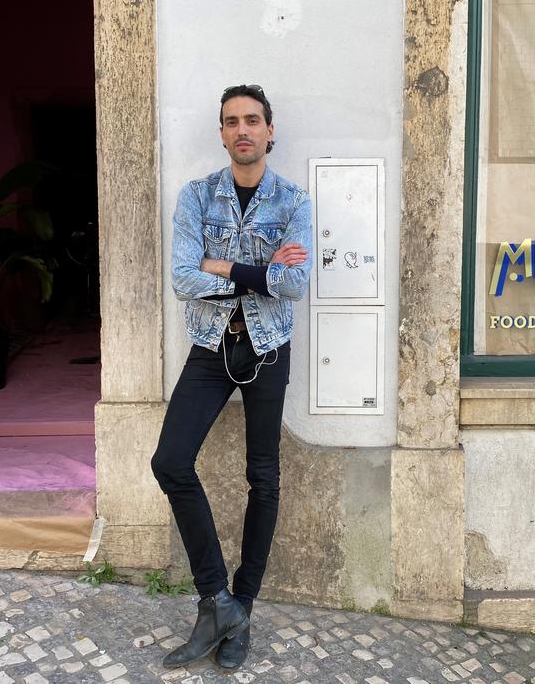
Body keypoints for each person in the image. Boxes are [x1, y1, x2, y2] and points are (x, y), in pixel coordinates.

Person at [151, 84, 312, 670]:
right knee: (170, 462)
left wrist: (222, 265)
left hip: (268, 348)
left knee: (262, 479)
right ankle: (216, 600)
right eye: (231, 122)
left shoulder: (294, 201)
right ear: (221, 133)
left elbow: (295, 285)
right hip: (211, 344)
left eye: (252, 120)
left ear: (271, 131)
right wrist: (259, 271)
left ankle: (241, 606)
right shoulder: (196, 197)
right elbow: (183, 277)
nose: (242, 130)